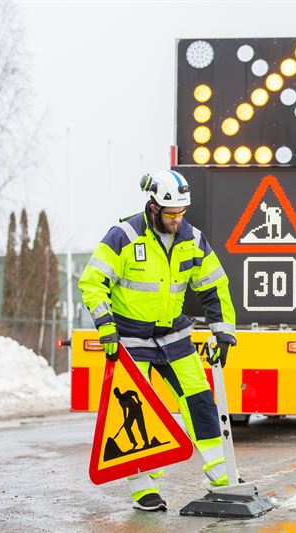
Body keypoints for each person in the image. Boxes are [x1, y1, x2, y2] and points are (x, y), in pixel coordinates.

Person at [79, 170, 237, 512]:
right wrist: (105, 326)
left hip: (174, 336)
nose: (177, 220)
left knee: (200, 400)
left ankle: (223, 476)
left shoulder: (192, 240)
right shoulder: (123, 236)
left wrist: (223, 331)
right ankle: (144, 489)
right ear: (153, 207)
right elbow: (92, 282)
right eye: (171, 214)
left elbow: (214, 286)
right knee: (137, 413)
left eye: (181, 213)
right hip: (131, 339)